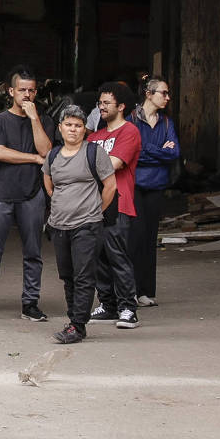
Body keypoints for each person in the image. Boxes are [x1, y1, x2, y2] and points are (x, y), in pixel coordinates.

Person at [42, 104, 133, 345]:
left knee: (84, 275)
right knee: (68, 275)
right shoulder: (53, 155)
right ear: (60, 128)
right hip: (59, 225)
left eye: (78, 126)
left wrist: (96, 212)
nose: (73, 129)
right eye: (69, 125)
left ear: (85, 129)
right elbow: (49, 185)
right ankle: (74, 319)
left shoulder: (94, 153)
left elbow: (110, 186)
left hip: (88, 224)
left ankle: (77, 325)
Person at [0, 67, 52, 323]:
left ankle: (30, 303)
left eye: (31, 90)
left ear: (36, 91)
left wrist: (34, 119)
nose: (27, 95)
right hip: (0, 194)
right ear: (11, 91)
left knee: (33, 253)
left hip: (32, 194)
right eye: (22, 90)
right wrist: (32, 158)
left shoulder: (44, 120)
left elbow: (47, 152)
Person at [84, 83, 146, 329]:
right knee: (98, 257)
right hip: (93, 204)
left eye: (107, 103)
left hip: (119, 202)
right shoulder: (95, 136)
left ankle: (128, 308)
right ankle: (107, 305)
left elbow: (115, 163)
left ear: (121, 106)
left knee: (117, 256)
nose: (101, 106)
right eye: (100, 103)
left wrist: (85, 167)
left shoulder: (129, 132)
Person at [128, 76, 180, 307]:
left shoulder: (166, 123)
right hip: (135, 186)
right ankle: (130, 289)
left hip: (156, 185)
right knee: (134, 237)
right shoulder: (131, 120)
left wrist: (149, 151)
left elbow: (174, 153)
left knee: (150, 239)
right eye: (163, 93)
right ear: (149, 94)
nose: (167, 98)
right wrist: (158, 149)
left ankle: (146, 291)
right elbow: (133, 152)